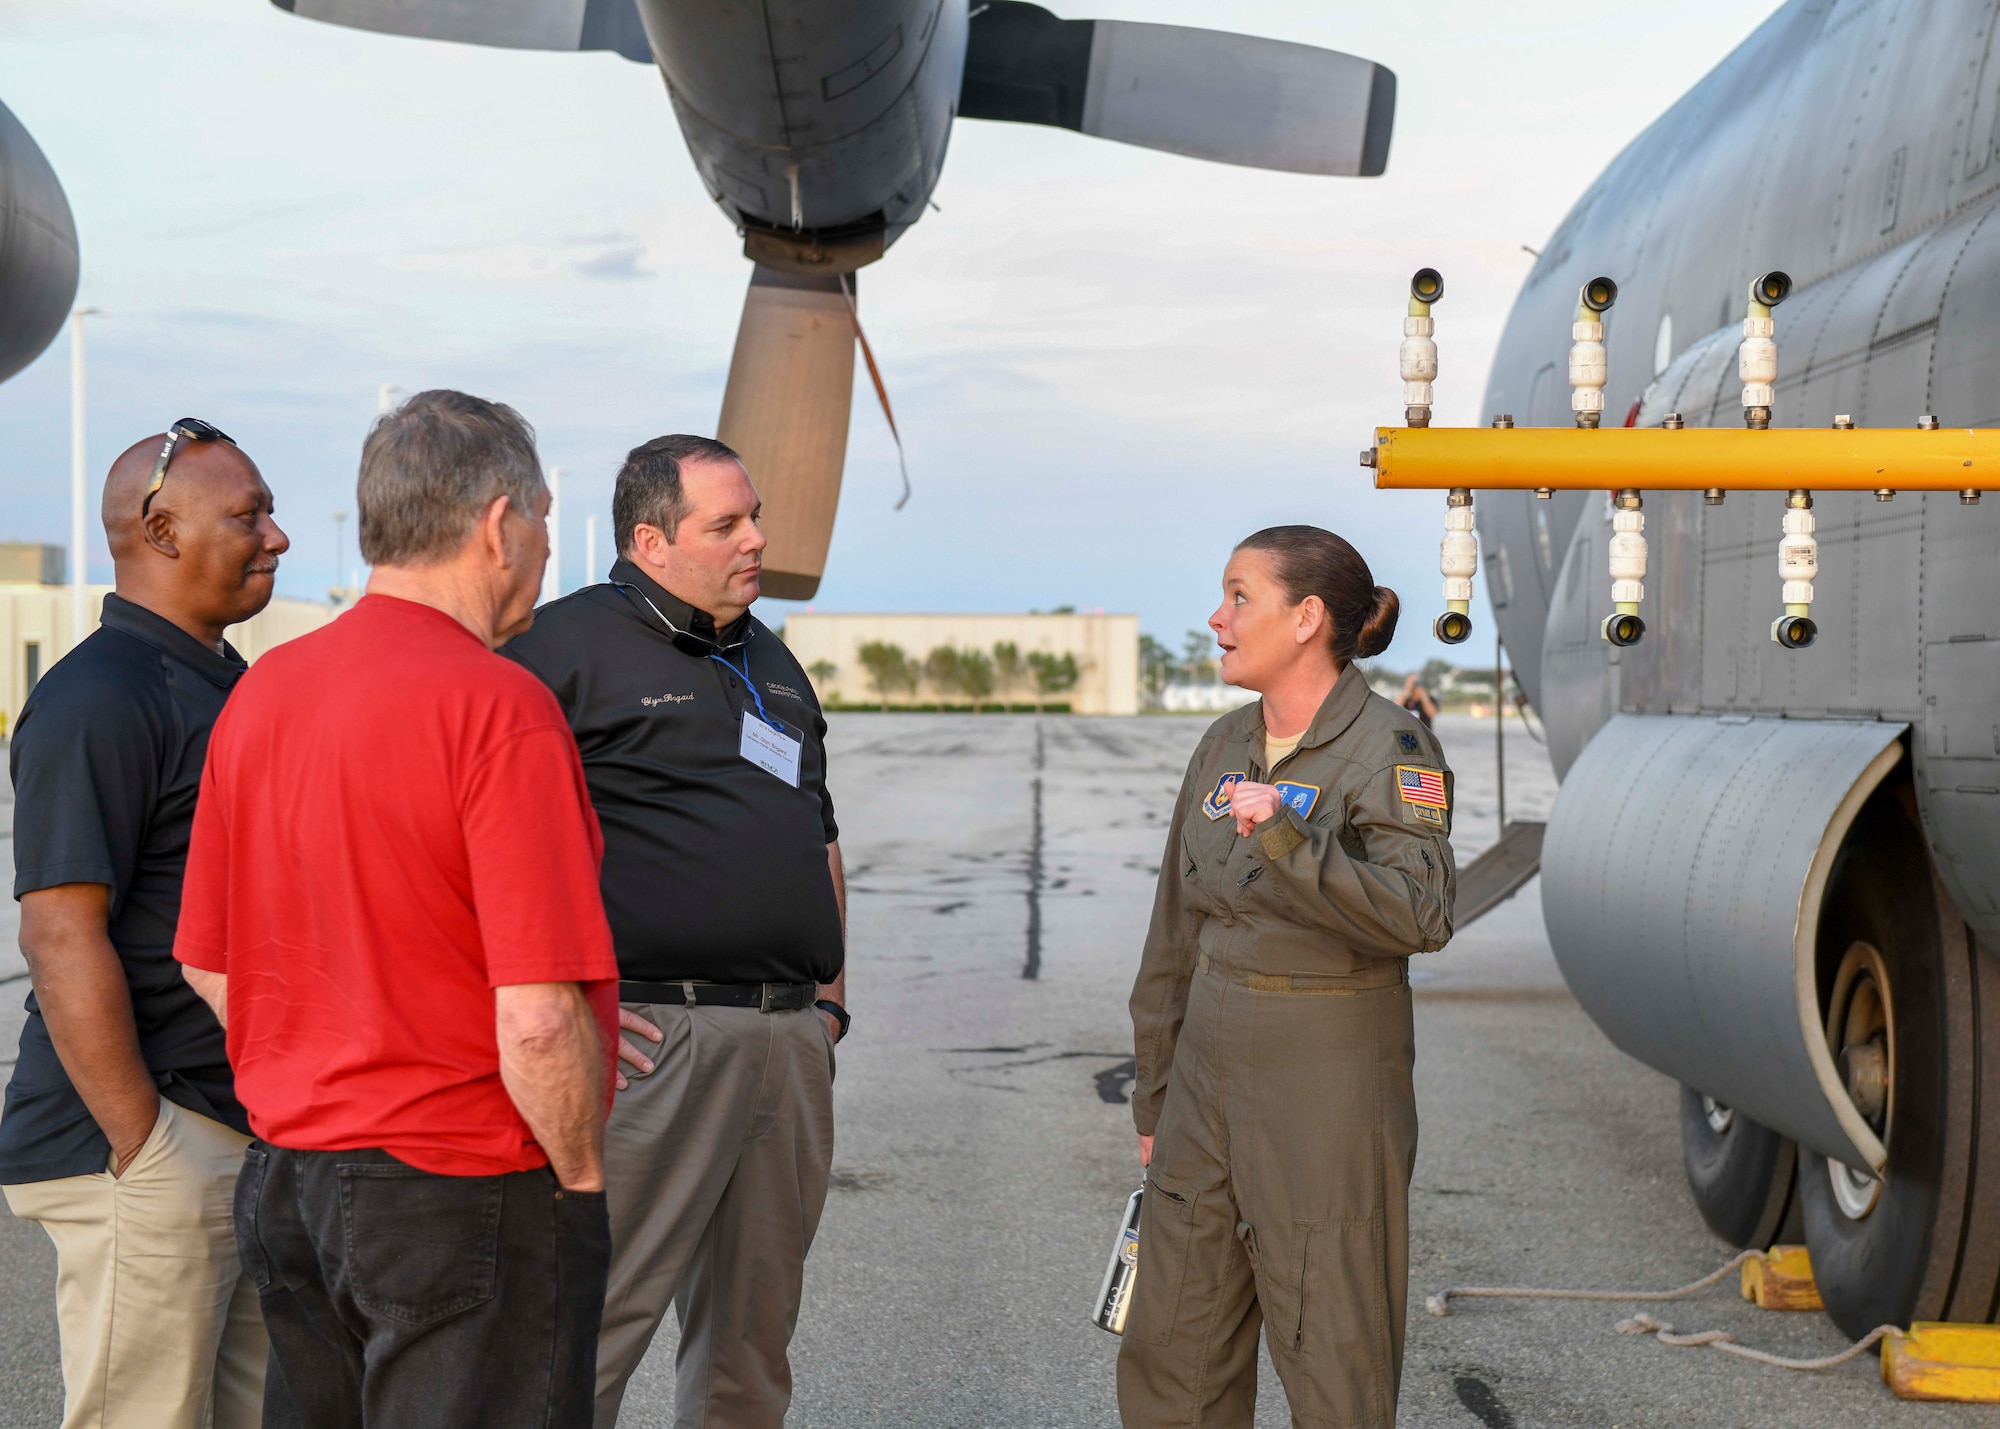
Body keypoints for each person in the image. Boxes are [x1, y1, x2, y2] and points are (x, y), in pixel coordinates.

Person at [172, 390, 621, 1428]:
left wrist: (323, 1074)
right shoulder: (499, 706)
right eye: (545, 521)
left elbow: (208, 961)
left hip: (289, 1179)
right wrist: (583, 1179)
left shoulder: (264, 694)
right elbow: (539, 1016)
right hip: (458, 1182)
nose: (548, 549)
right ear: (499, 523)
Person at [502, 434, 846, 1429]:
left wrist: (826, 1007)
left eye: (755, 517)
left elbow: (816, 833)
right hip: (649, 1043)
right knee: (589, 1327)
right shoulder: (554, 648)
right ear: (649, 540)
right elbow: (482, 842)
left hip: (785, 1046)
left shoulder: (769, 659)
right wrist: (562, 1009)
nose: (758, 540)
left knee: (752, 1341)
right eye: (726, 524)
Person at [1120, 526, 1456, 1428]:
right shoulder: (1225, 743)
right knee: (1171, 1350)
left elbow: (1420, 916)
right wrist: (1157, 1098)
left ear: (1306, 618)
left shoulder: (1393, 748)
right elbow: (1174, 933)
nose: (1216, 619)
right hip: (1204, 1084)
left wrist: (1288, 839)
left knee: (1333, 1350)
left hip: (1328, 1084)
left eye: (1239, 597)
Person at [1, 422, 286, 1429]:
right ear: (160, 529)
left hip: (234, 1128)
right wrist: (145, 1143)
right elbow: (60, 932)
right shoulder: (101, 696)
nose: (278, 536)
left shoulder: (222, 683)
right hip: (149, 1140)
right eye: (248, 514)